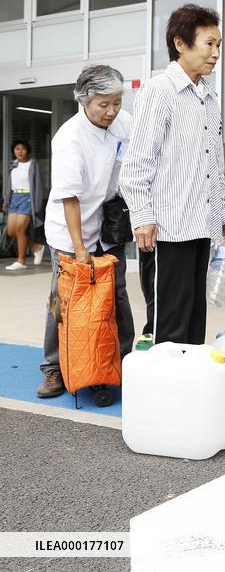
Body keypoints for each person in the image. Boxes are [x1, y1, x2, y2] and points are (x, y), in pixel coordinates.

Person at [119, 4, 225, 345]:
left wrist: (224, 214)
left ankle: (190, 376)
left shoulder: (208, 97)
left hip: (201, 225)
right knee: (169, 324)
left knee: (194, 319)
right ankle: (164, 380)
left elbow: (213, 163)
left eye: (219, 45)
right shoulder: (160, 91)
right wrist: (142, 217)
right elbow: (136, 164)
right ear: (181, 44)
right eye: (209, 44)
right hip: (168, 228)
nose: (216, 53)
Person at [37, 65, 135, 398]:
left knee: (116, 294)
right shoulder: (70, 137)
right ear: (83, 100)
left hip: (108, 224)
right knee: (65, 299)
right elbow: (70, 198)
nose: (111, 111)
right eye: (103, 104)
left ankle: (119, 362)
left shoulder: (124, 123)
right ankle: (54, 367)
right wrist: (80, 249)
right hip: (70, 230)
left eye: (117, 102)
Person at [3, 140, 46, 270]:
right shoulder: (13, 165)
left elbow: (38, 185)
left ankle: (21, 261)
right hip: (14, 198)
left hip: (27, 198)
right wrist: (6, 201)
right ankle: (36, 247)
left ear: (27, 150)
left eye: (23, 149)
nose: (20, 152)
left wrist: (37, 204)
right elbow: (9, 185)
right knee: (11, 232)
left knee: (20, 229)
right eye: (17, 149)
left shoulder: (33, 164)